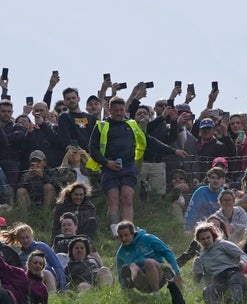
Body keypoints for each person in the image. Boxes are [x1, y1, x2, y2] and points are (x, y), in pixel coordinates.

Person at [88, 97, 187, 237]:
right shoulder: (101, 126)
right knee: (113, 199)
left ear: (125, 110)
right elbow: (93, 149)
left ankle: (129, 231)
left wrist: (172, 150)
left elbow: (149, 141)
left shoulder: (132, 125)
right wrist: (106, 162)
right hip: (109, 167)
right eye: (115, 110)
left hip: (128, 166)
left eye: (121, 110)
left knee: (127, 198)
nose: (118, 113)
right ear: (109, 110)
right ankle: (115, 231)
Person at [194, 222, 247, 304]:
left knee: (234, 282)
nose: (206, 241)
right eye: (203, 239)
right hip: (219, 280)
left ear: (213, 236)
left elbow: (242, 255)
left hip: (234, 273)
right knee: (208, 290)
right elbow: (207, 276)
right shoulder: (202, 257)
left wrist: (242, 263)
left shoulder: (223, 244)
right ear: (199, 241)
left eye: (208, 237)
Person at [116, 221, 181, 293]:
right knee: (132, 266)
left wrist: (177, 273)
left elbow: (167, 253)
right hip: (141, 281)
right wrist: (124, 289)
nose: (123, 239)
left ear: (133, 234)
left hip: (159, 275)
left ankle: (156, 294)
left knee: (148, 262)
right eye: (121, 236)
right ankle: (129, 283)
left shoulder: (147, 239)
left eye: (126, 235)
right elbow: (120, 273)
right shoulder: (121, 253)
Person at [2, 223, 66, 293]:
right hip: (31, 280)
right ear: (18, 240)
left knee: (46, 273)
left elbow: (57, 265)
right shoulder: (20, 256)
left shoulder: (42, 247)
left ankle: (53, 298)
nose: (25, 240)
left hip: (48, 278)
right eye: (22, 238)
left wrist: (62, 287)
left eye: (27, 237)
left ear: (32, 236)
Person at [184, 166, 224, 231]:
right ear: (208, 179)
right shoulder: (200, 192)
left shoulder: (224, 194)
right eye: (213, 178)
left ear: (223, 180)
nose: (215, 180)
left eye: (218, 178)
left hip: (219, 228)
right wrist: (187, 228)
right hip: (201, 227)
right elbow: (191, 211)